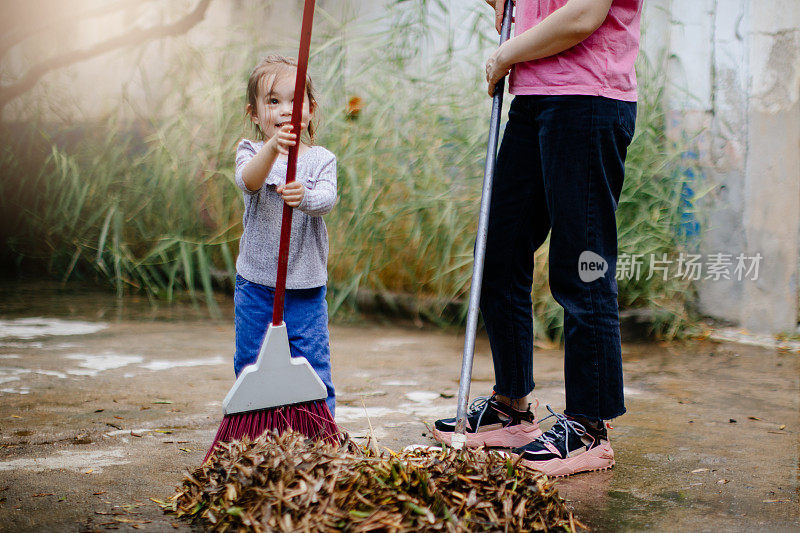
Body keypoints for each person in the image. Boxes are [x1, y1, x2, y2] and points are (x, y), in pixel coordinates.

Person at [434, 0, 641, 476]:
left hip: (590, 99)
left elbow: (584, 15)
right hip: (534, 100)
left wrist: (506, 53)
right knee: (498, 254)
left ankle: (590, 427)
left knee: (582, 266)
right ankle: (512, 407)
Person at [233, 55, 337, 416]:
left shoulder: (320, 159)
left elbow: (327, 199)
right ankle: (254, 431)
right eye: (273, 101)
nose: (285, 110)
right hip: (257, 283)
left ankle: (319, 434)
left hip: (305, 285)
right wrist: (273, 148)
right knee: (251, 361)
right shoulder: (251, 152)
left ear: (311, 108)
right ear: (255, 113)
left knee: (312, 364)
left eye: (295, 100)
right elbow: (249, 180)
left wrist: (305, 197)